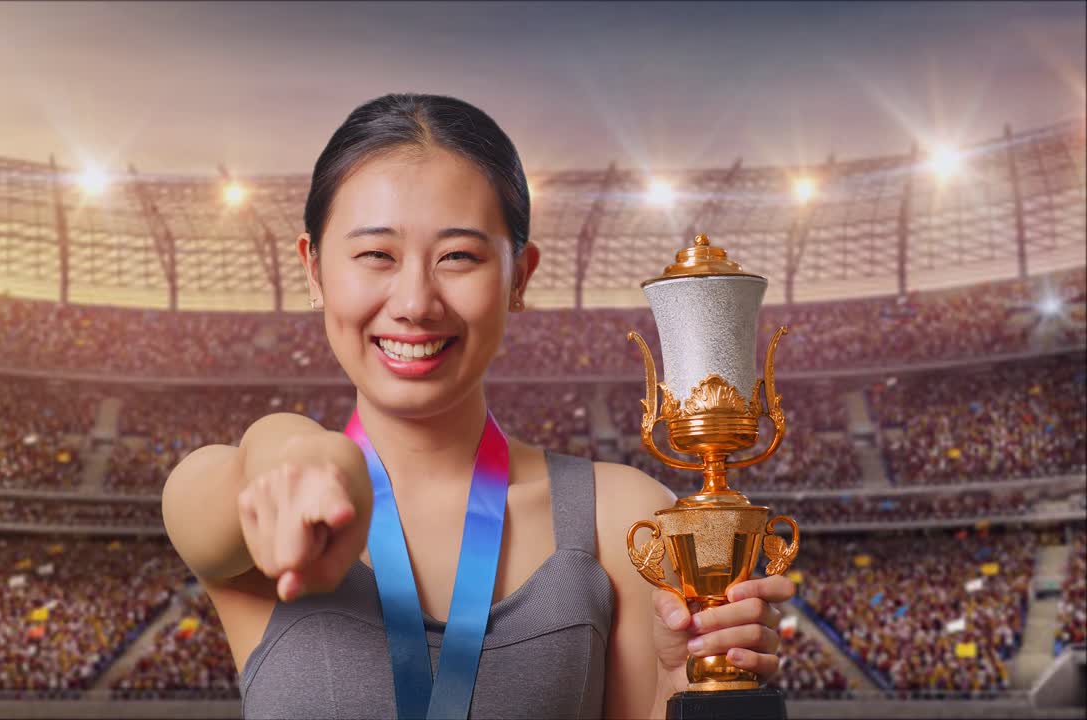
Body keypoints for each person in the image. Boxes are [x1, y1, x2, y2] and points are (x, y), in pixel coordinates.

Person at [162, 93, 793, 719]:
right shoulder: (255, 505)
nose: (415, 302)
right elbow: (231, 492)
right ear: (314, 269)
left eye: (459, 256)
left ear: (519, 277)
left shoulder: (627, 525)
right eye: (376, 254)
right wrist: (292, 443)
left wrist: (687, 680)